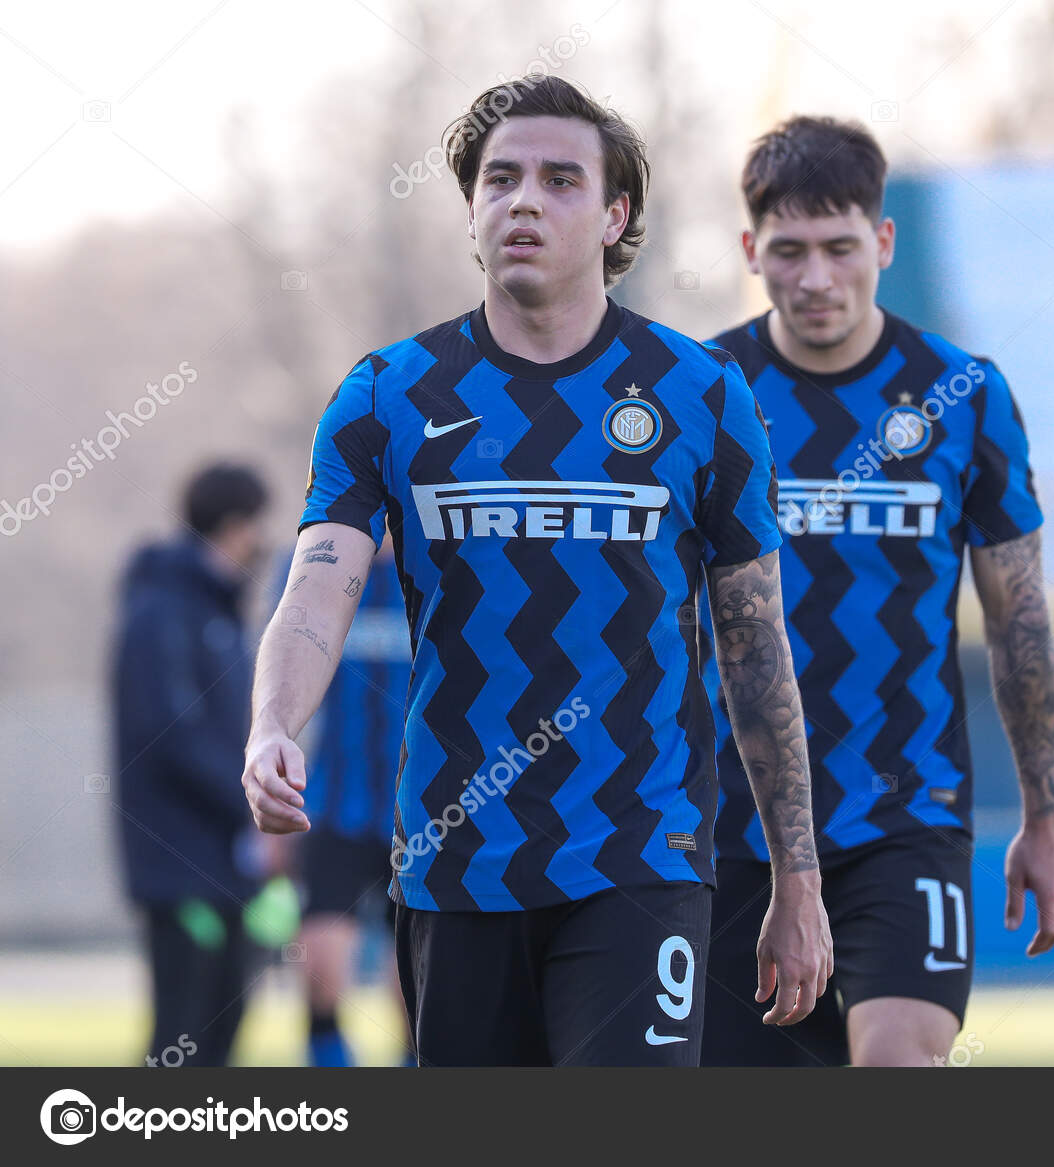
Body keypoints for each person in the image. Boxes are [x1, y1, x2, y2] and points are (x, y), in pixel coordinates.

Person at [239, 75, 831, 1067]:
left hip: (641, 853)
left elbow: (756, 651)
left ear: (614, 214)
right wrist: (270, 724)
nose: (523, 201)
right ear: (470, 210)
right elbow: (317, 591)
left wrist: (798, 884)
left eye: (561, 180)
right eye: (500, 179)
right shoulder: (387, 395)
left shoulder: (702, 397)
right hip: (454, 863)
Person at [699, 117, 1054, 1067]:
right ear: (752, 251)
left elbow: (1021, 623)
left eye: (840, 248)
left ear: (884, 241)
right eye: (788, 252)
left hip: (903, 811)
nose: (816, 279)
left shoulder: (963, 394)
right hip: (726, 823)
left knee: (899, 1064)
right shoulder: (704, 391)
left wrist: (1048, 814)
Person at [112, 462, 270, 1067]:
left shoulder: (217, 611)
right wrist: (251, 802)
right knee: (182, 1036)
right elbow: (168, 734)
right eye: (256, 525)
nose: (262, 540)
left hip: (223, 863)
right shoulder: (162, 612)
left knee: (222, 1030)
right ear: (233, 526)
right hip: (179, 864)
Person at [286, 536, 412, 1066]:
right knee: (321, 965)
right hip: (334, 808)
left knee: (412, 977)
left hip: (418, 815)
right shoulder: (318, 575)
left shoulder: (427, 570)